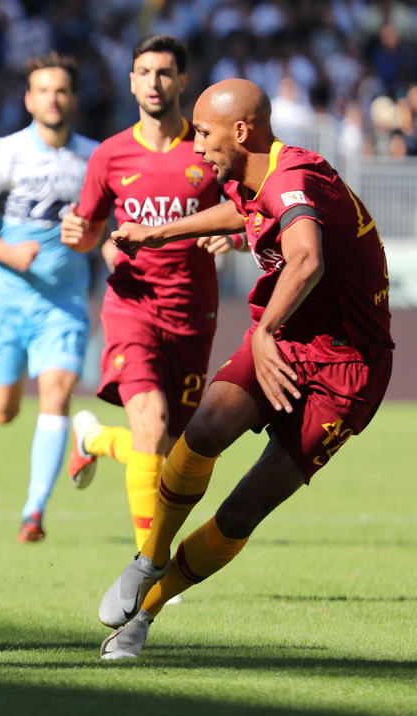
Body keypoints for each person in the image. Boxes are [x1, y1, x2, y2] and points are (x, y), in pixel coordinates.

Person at [97, 78, 393, 660]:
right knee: (205, 429)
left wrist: (262, 330)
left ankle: (146, 612)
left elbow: (306, 257)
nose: (195, 145)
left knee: (242, 508)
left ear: (240, 131)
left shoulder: (294, 177)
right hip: (291, 337)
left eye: (204, 133)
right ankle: (149, 556)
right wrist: (158, 233)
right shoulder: (253, 177)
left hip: (348, 369)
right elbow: (243, 210)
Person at [60, 34, 241, 552]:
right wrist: (83, 238)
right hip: (132, 305)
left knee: (169, 449)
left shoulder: (208, 151)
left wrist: (232, 238)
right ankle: (151, 567)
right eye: (144, 72)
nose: (154, 82)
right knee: (151, 426)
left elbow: (250, 211)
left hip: (193, 311)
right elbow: (90, 231)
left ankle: (94, 439)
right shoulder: (110, 155)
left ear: (182, 80)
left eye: (164, 72)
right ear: (131, 82)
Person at [0, 51, 101, 543]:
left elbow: (105, 228)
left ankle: (33, 512)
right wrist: (8, 253)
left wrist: (93, 239)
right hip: (7, 302)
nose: (52, 99)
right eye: (43, 90)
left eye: (61, 90)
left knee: (57, 393)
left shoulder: (96, 158)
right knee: (6, 409)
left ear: (73, 99)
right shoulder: (7, 152)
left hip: (64, 303)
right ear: (29, 100)